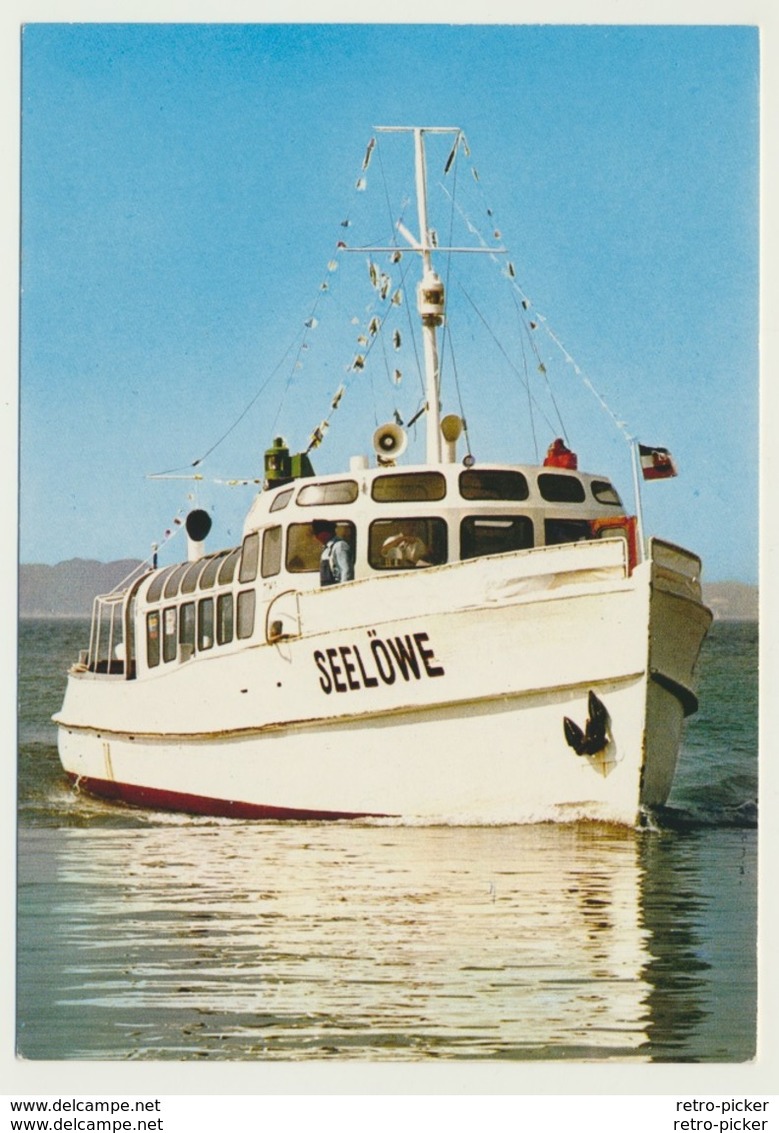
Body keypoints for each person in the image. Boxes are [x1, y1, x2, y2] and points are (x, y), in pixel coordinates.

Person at [312, 520, 354, 585]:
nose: (316, 537)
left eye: (317, 534)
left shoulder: (339, 546)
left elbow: (346, 572)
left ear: (325, 533)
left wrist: (343, 590)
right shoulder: (327, 549)